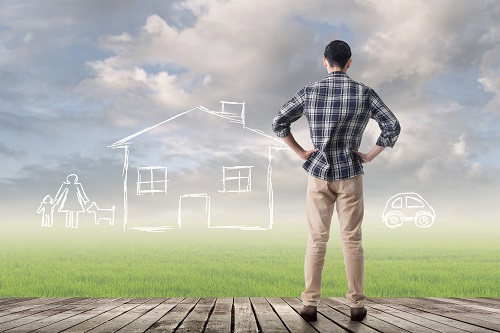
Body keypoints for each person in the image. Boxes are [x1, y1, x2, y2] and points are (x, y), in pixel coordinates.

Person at [272, 40, 400, 322]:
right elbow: (392, 125)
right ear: (350, 62)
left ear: (325, 62)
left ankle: (309, 303)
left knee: (317, 239)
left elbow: (279, 122)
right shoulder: (364, 93)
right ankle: (356, 305)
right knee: (352, 240)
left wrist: (301, 152)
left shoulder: (310, 91)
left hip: (318, 174)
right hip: (351, 174)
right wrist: (370, 155)